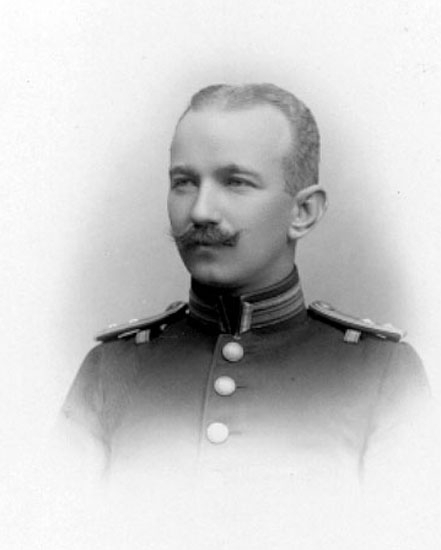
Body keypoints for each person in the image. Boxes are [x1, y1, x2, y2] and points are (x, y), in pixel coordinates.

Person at [60, 83, 431, 487]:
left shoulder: (382, 376)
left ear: (303, 212)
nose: (200, 211)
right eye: (184, 182)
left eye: (236, 182)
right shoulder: (109, 371)